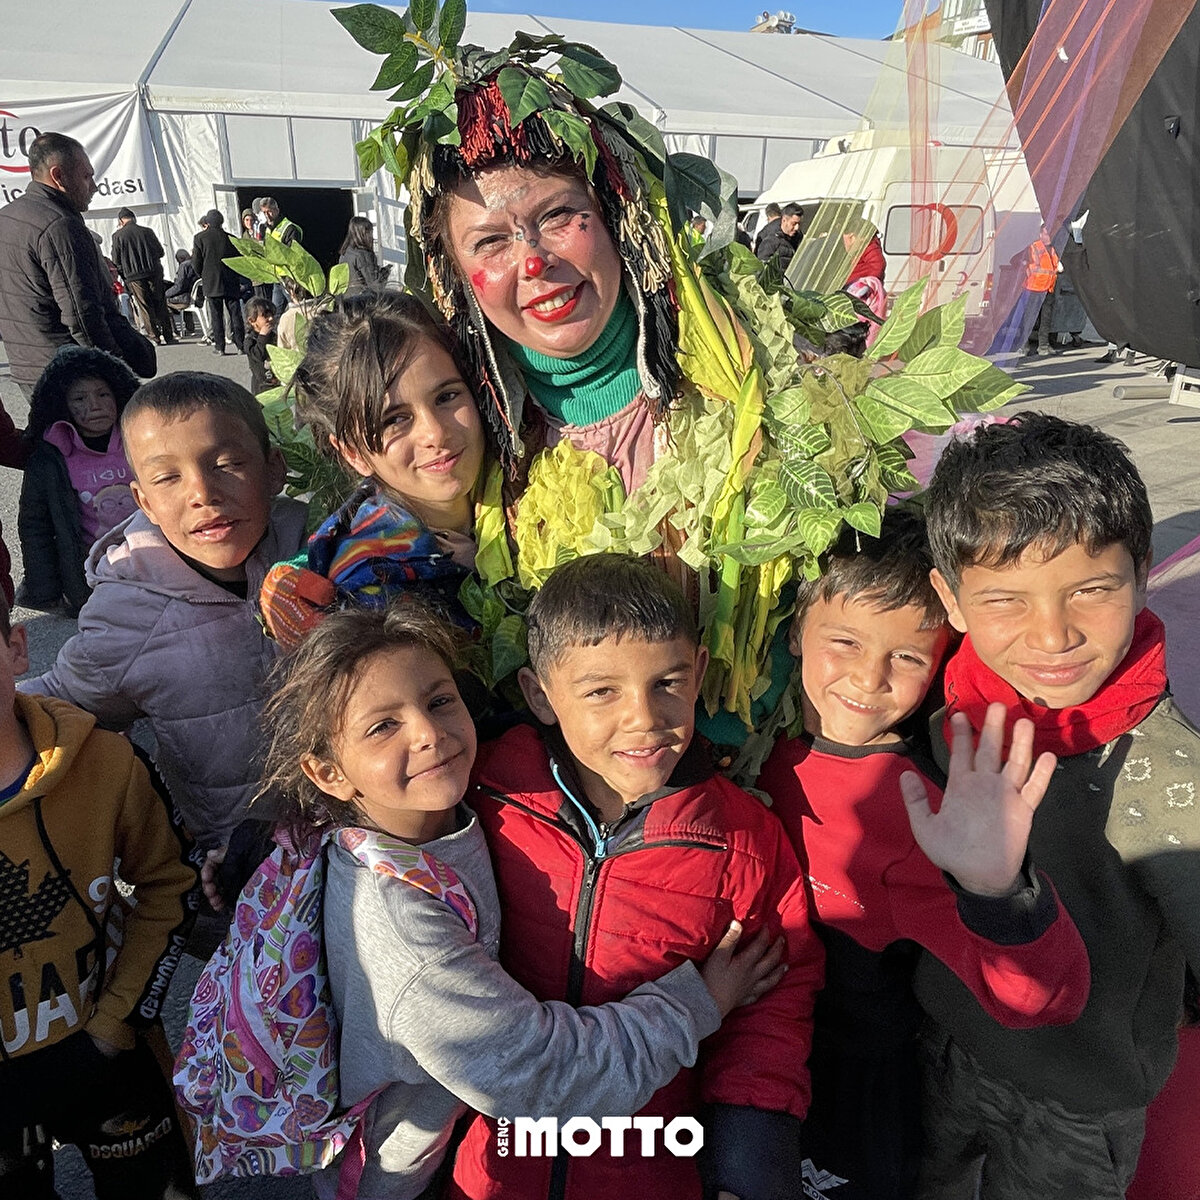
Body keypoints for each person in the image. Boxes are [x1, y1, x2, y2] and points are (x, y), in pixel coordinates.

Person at [253, 601, 784, 1200]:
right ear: (328, 774)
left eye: (439, 701)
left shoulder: (440, 814)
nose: (428, 734)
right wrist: (700, 1001)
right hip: (393, 1179)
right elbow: (545, 1077)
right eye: (383, 727)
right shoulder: (402, 932)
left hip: (452, 1133)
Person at [449, 552, 825, 1200]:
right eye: (602, 691)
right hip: (495, 1161)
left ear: (699, 672)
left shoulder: (742, 841)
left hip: (651, 1163)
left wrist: (749, 1165)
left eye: (667, 683)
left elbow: (771, 1013)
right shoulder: (483, 797)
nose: (645, 718)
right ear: (540, 695)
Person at [758, 508, 1090, 1200]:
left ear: (938, 665)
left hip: (849, 1100)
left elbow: (1037, 1001)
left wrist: (999, 890)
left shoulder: (924, 812)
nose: (869, 678)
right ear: (795, 630)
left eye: (907, 658)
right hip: (745, 1062)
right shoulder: (750, 747)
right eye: (844, 641)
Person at [913, 412, 1200, 1199]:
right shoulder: (940, 702)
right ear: (951, 600)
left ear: (1142, 573)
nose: (1052, 636)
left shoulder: (1168, 777)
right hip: (944, 1051)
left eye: (1092, 590)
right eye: (1006, 599)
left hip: (1080, 1108)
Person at [21, 372, 307, 852]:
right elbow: (57, 701)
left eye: (227, 463)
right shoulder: (128, 616)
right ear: (144, 502)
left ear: (274, 469)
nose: (202, 493)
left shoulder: (325, 554)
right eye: (168, 477)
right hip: (239, 861)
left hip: (363, 838)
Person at [0, 591, 201, 1198]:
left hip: (105, 1048)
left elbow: (170, 883)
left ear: (16, 648)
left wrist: (116, 1023)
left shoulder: (108, 764)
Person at [260, 293, 485, 648]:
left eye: (446, 397)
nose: (435, 434)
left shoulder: (519, 477)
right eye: (394, 420)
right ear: (353, 453)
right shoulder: (370, 594)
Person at [0, 131, 153, 424]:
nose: (94, 186)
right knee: (101, 449)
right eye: (87, 176)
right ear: (58, 176)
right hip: (70, 374)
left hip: (27, 365)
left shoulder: (7, 217)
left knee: (60, 445)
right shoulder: (59, 225)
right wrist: (116, 371)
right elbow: (82, 314)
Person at [16, 347, 140, 615]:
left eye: (103, 394)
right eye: (79, 398)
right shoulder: (50, 458)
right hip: (92, 580)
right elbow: (35, 525)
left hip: (154, 565)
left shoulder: (141, 438)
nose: (94, 405)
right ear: (62, 405)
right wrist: (44, 589)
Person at [110, 208, 175, 347]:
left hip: (133, 276)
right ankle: (169, 335)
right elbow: (160, 252)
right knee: (160, 303)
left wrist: (124, 274)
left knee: (144, 306)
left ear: (121, 221)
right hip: (153, 272)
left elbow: (116, 259)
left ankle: (154, 337)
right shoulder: (147, 231)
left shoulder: (118, 236)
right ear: (134, 218)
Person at [190, 209, 244, 357]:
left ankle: (220, 347)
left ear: (207, 222)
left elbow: (196, 262)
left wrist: (203, 274)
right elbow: (239, 260)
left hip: (211, 281)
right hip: (230, 280)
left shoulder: (199, 238)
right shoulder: (231, 238)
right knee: (235, 314)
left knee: (216, 315)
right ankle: (240, 345)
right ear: (221, 222)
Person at [1022, 225, 1059, 357]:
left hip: (1048, 288)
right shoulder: (1033, 247)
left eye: (1050, 234)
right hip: (1034, 288)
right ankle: (1024, 345)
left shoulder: (1052, 249)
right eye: (1047, 234)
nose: (1049, 237)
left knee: (1045, 319)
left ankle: (1043, 345)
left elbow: (1055, 266)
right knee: (1030, 318)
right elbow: (1020, 261)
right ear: (1040, 235)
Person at [338, 214, 390, 295]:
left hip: (346, 299)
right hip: (363, 299)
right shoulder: (363, 255)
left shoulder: (345, 252)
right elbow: (376, 286)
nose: (372, 237)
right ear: (363, 233)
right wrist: (385, 272)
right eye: (370, 232)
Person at [242, 296, 278, 395]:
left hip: (277, 383)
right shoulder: (250, 341)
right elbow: (258, 355)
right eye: (265, 316)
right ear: (252, 321)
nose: (271, 318)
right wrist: (262, 337)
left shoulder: (274, 336)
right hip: (262, 386)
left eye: (272, 315)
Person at [164, 248, 203, 338]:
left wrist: (165, 294)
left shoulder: (184, 266)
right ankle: (190, 329)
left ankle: (173, 331)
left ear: (181, 259)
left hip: (186, 299)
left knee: (163, 302)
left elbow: (179, 287)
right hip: (198, 297)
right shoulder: (197, 264)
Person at [755, 202, 803, 271]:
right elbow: (762, 269)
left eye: (799, 224)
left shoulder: (799, 238)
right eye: (794, 223)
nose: (797, 228)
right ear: (784, 220)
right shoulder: (770, 241)